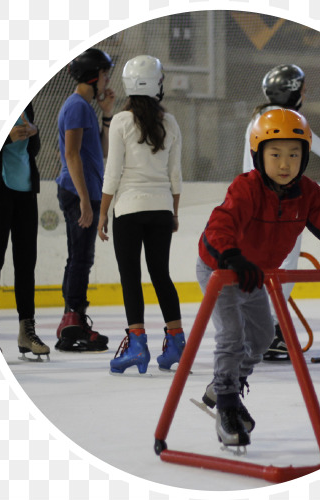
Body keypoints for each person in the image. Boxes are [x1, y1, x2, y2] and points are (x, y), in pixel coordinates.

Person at [197, 108, 320, 447]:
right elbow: (218, 226)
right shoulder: (247, 189)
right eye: (276, 154)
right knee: (233, 335)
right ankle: (226, 404)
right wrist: (231, 255)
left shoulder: (308, 194)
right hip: (222, 269)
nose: (285, 164)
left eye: (294, 155)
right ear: (258, 155)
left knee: (263, 336)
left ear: (305, 157)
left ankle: (227, 383)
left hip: (255, 274)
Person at [242, 64, 320, 361]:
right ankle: (268, 331)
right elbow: (319, 148)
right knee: (284, 270)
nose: (306, 96)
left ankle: (262, 330)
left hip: (254, 204)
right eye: (303, 90)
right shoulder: (286, 121)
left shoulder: (257, 119)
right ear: (292, 92)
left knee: (265, 269)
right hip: (279, 204)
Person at [96, 55, 186, 374]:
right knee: (161, 274)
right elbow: (175, 174)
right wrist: (173, 212)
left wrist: (103, 213)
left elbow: (113, 173)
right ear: (157, 84)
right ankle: (176, 343)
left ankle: (137, 346)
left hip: (128, 209)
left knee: (131, 276)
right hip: (161, 208)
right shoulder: (170, 122)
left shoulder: (120, 121)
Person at [53, 48, 116, 352]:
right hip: (79, 192)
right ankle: (72, 322)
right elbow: (71, 153)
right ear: (94, 75)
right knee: (80, 257)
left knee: (81, 257)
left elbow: (101, 152)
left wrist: (107, 114)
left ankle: (73, 318)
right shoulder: (76, 106)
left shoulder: (85, 107)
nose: (107, 80)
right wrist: (85, 201)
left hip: (85, 190)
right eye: (105, 74)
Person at [0, 103, 50, 361]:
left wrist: (34, 132)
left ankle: (26, 331)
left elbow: (33, 150)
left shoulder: (27, 104)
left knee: (25, 264)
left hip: (25, 190)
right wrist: (6, 137)